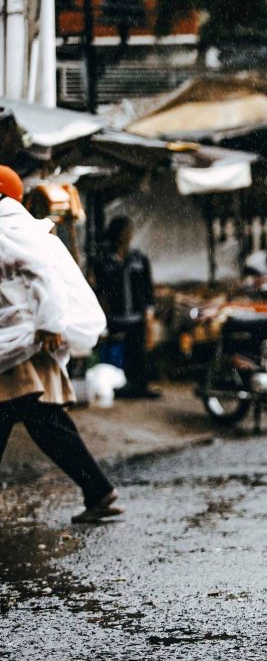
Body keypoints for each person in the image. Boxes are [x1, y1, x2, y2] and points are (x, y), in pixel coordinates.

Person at [0, 165, 124, 523]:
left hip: (22, 343)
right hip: (23, 341)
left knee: (43, 420)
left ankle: (99, 491)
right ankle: (99, 491)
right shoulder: (19, 226)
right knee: (42, 421)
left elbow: (43, 274)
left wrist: (49, 323)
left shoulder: (7, 228)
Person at [92, 216, 159, 398]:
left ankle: (139, 387)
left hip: (137, 316)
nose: (128, 235)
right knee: (116, 355)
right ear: (116, 234)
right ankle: (120, 386)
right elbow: (98, 291)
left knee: (138, 353)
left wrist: (149, 312)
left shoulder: (139, 259)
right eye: (125, 232)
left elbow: (148, 289)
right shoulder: (103, 262)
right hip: (114, 318)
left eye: (130, 232)